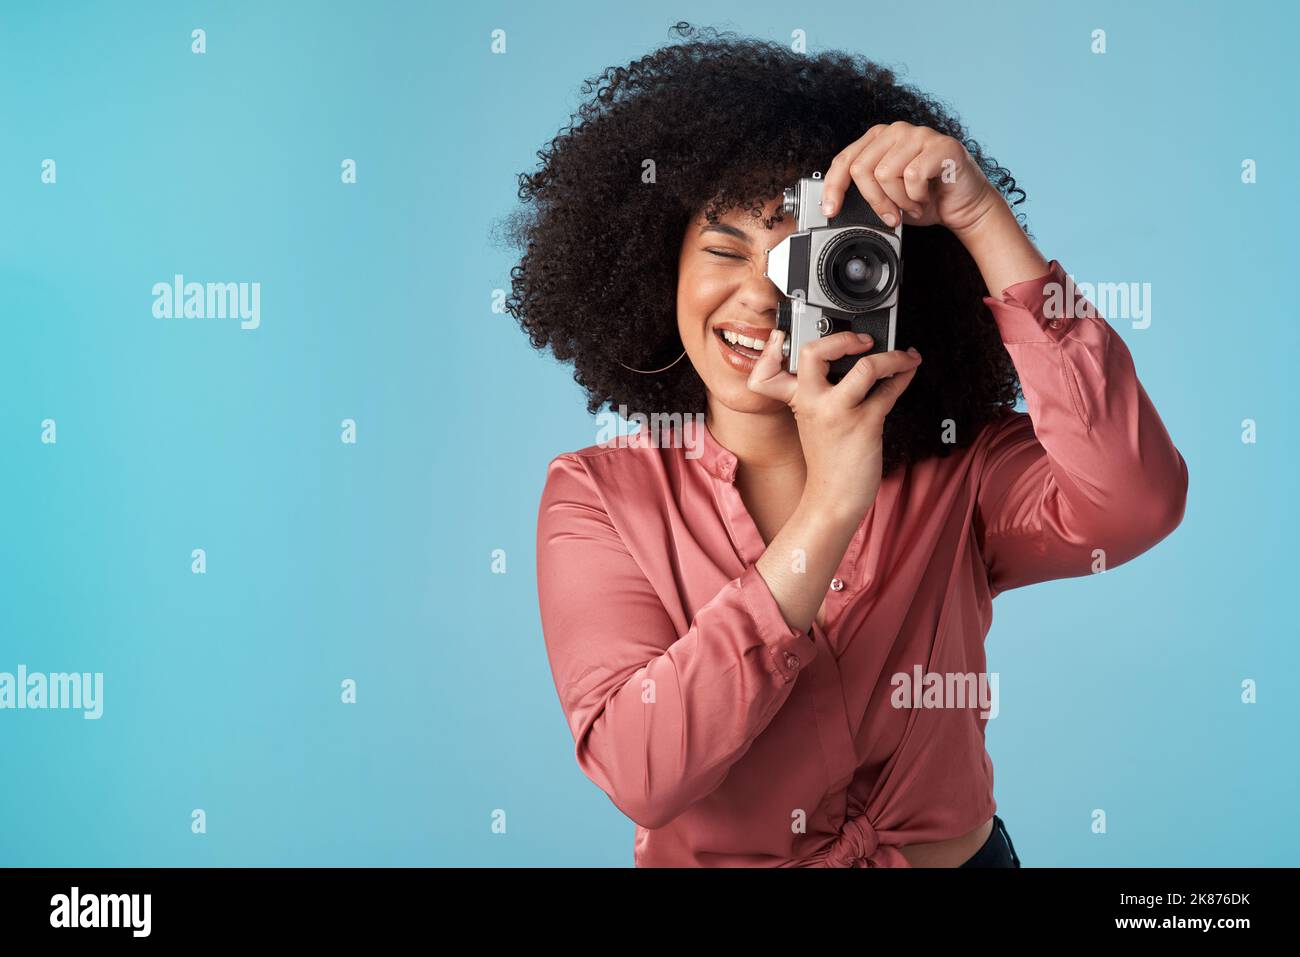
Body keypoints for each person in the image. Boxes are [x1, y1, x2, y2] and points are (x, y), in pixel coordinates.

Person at [503, 23, 1188, 867]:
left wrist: (980, 220)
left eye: (806, 259)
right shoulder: (599, 496)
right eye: (724, 248)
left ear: (881, 279)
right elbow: (642, 769)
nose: (759, 294)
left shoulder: (958, 463)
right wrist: (831, 504)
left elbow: (1137, 498)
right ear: (657, 272)